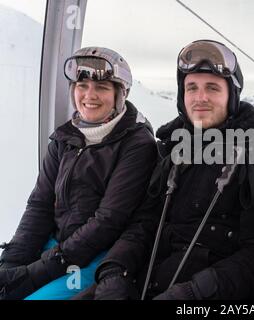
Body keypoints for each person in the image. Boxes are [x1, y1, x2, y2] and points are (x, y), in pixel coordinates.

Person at [77, 39, 254, 300]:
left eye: (212, 88)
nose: (200, 98)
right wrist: (114, 272)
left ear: (232, 97)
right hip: (144, 279)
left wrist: (192, 292)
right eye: (191, 88)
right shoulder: (170, 150)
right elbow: (144, 223)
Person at [0, 47, 158, 300]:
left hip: (97, 258)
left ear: (120, 95)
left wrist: (36, 273)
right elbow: (39, 205)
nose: (89, 95)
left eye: (102, 87)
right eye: (81, 85)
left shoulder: (137, 145)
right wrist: (11, 263)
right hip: (55, 248)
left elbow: (108, 220)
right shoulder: (66, 138)